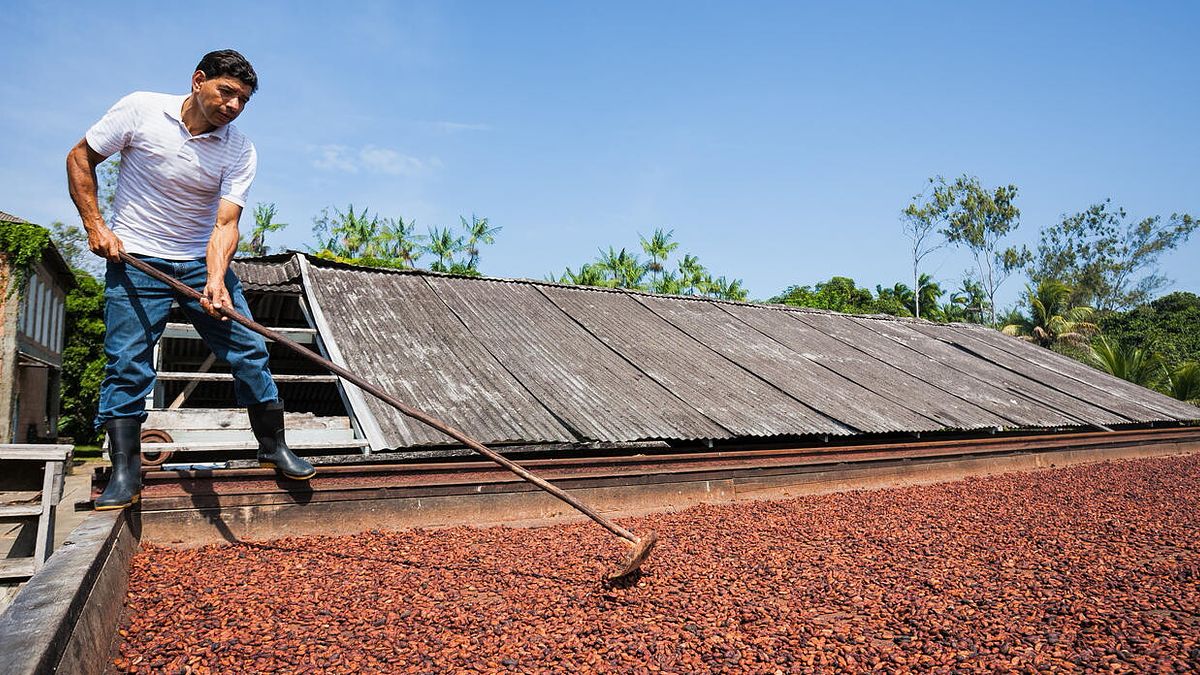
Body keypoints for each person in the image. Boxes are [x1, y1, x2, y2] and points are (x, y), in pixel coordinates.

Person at [66, 49, 315, 510]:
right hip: (136, 258)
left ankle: (272, 447)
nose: (233, 107)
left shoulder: (240, 148)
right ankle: (125, 472)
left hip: (198, 262)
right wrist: (96, 226)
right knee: (128, 363)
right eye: (226, 93)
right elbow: (81, 158)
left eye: (243, 100)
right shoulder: (141, 109)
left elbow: (225, 224)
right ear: (198, 80)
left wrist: (217, 279)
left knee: (249, 349)